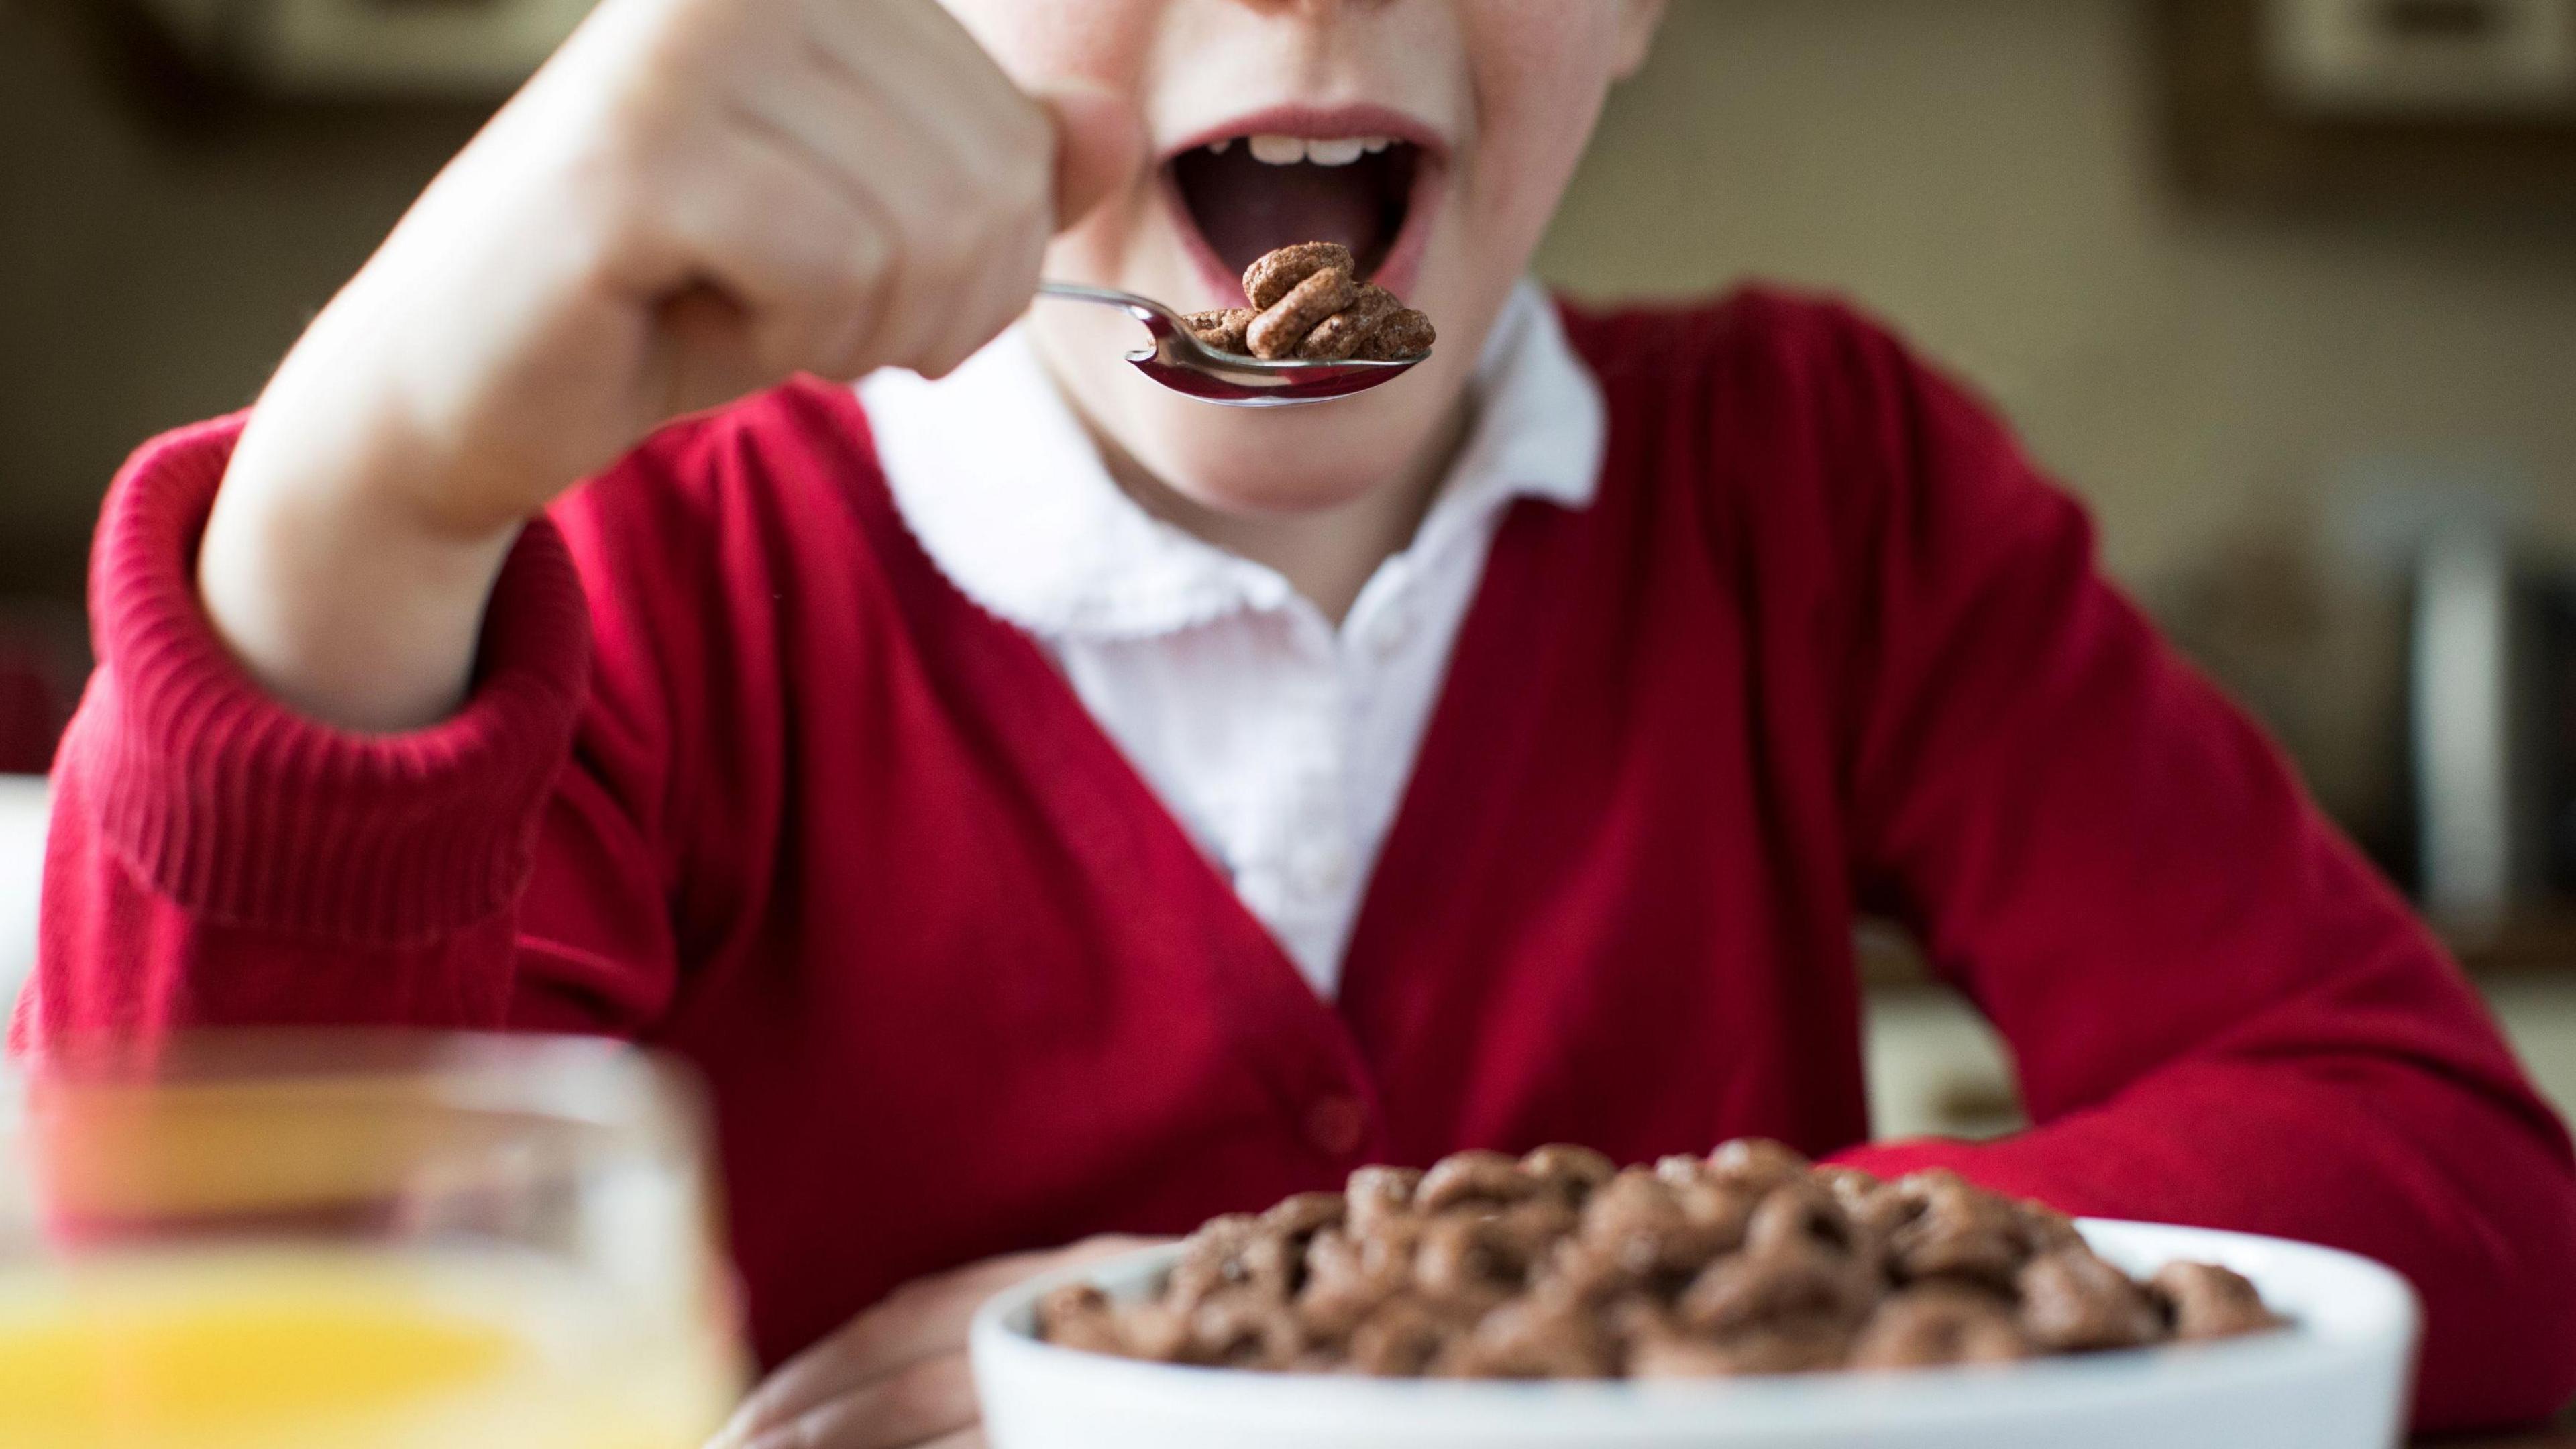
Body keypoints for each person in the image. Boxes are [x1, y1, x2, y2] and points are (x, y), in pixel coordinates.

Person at [25, 0, 2576, 1442]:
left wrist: (1428, 1342)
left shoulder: (1825, 490)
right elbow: (219, 1349)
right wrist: (370, 493)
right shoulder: (637, 569)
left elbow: (2464, 1186)